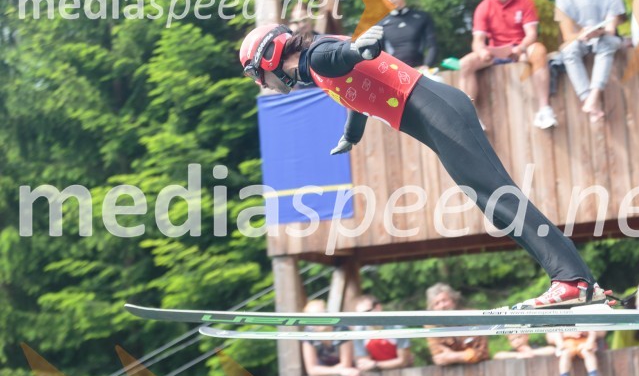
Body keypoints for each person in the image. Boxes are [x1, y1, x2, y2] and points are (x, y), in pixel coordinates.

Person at [238, 21, 611, 309]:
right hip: (437, 117)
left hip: (439, 113)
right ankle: (580, 284)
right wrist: (351, 135)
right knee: (496, 205)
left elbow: (347, 55)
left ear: (270, 57)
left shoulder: (319, 56)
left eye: (258, 74)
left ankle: (572, 282)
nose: (263, 84)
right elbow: (354, 95)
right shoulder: (315, 66)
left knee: (500, 198)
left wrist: (362, 47)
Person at [458, 0, 558, 130]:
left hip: (521, 49)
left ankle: (544, 109)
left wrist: (520, 48)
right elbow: (478, 41)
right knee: (465, 63)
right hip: (495, 54)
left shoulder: (524, 0)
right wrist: (482, 52)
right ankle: (470, 118)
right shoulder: (483, 7)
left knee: (540, 51)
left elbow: (531, 34)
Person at [555, 0, 626, 122]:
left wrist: (598, 31)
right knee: (568, 51)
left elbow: (611, 28)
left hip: (604, 37)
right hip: (580, 40)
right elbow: (567, 36)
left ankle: (593, 97)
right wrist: (582, 35)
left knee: (607, 42)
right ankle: (589, 100)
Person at [377, 0, 438, 71]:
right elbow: (377, 55)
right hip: (395, 73)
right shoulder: (381, 25)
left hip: (421, 71)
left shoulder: (422, 17)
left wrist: (427, 66)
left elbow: (432, 46)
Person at [425, 283, 489, 366]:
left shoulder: (474, 317)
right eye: (437, 303)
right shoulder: (431, 326)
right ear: (433, 308)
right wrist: (468, 355)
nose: (442, 306)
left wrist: (454, 357)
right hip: (449, 372)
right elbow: (439, 357)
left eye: (444, 300)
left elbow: (482, 353)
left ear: (453, 300)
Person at [300, 300, 361, 376]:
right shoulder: (308, 334)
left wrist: (324, 370)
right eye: (313, 318)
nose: (319, 320)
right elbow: (311, 370)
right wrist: (339, 371)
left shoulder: (342, 329)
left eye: (322, 315)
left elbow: (346, 364)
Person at [352, 295, 413, 371]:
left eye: (366, 312)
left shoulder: (397, 327)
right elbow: (364, 364)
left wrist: (375, 365)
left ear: (378, 308)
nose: (363, 317)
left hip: (402, 373)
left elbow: (404, 361)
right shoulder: (359, 332)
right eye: (359, 315)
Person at [492, 333, 557, 359]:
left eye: (519, 337)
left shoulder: (534, 347)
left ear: (527, 336)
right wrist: (518, 355)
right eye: (512, 340)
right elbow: (497, 356)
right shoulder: (513, 352)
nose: (517, 341)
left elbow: (552, 350)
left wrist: (531, 352)